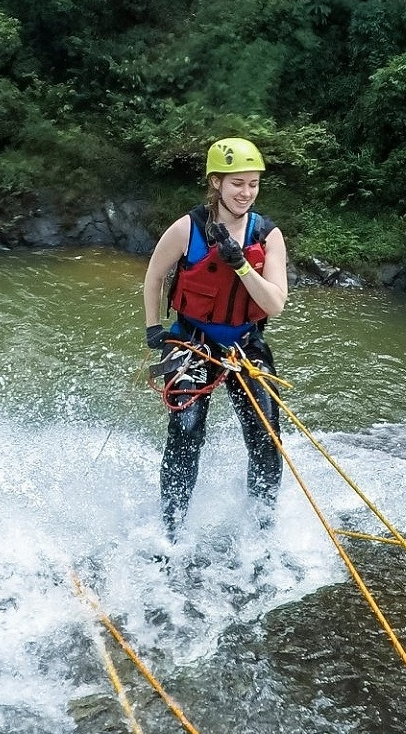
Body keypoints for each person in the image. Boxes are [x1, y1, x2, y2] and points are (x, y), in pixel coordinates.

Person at [142, 136, 290, 539]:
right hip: (192, 339)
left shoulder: (266, 235)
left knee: (266, 435)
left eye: (253, 183)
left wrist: (241, 264)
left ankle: (262, 529)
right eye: (237, 183)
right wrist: (154, 327)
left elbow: (275, 304)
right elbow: (154, 276)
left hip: (245, 341)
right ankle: (171, 530)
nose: (246, 192)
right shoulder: (186, 228)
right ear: (216, 183)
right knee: (187, 429)